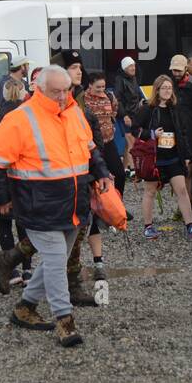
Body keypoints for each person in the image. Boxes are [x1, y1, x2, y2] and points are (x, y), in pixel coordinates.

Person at [0, 65, 113, 347]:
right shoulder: (20, 119)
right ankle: (65, 322)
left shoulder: (73, 113)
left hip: (73, 204)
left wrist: (102, 172)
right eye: (56, 91)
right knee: (55, 260)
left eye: (66, 90)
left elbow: (90, 149)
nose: (63, 96)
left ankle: (25, 307)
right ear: (39, 89)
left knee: (56, 261)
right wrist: (2, 197)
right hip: (37, 205)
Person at [132, 74, 192, 240]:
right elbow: (134, 129)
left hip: (173, 156)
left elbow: (183, 133)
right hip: (154, 158)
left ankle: (190, 225)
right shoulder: (147, 109)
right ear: (157, 90)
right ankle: (148, 227)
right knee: (150, 191)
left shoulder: (175, 108)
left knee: (181, 190)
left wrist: (187, 155)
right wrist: (151, 134)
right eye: (163, 88)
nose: (167, 91)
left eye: (169, 88)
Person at [77, 71, 125, 283]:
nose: (101, 90)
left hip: (109, 141)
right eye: (97, 87)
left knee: (119, 175)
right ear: (89, 87)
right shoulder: (82, 103)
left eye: (103, 87)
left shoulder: (109, 97)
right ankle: (102, 212)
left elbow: (115, 112)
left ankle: (113, 209)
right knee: (96, 185)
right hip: (93, 147)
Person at [0, 76, 32, 287]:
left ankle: (11, 270)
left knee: (4, 227)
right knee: (25, 227)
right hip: (22, 181)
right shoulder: (28, 117)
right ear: (23, 94)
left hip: (0, 182)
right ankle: (28, 269)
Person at [115, 55, 143, 170]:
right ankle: (134, 169)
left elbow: (136, 95)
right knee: (131, 141)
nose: (133, 68)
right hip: (124, 115)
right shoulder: (120, 80)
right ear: (125, 68)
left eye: (134, 65)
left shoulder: (133, 78)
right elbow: (118, 99)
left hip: (134, 114)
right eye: (130, 66)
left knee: (128, 143)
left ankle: (125, 168)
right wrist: (124, 115)